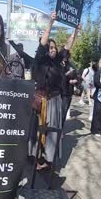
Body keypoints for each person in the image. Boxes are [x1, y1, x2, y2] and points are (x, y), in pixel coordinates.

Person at [32, 11, 77, 169]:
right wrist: (50, 22)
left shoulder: (59, 62)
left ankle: (49, 159)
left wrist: (76, 31)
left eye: (54, 47)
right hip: (40, 100)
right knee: (38, 129)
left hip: (55, 100)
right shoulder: (39, 60)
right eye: (50, 47)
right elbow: (43, 42)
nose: (53, 49)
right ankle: (37, 158)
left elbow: (68, 45)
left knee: (52, 132)